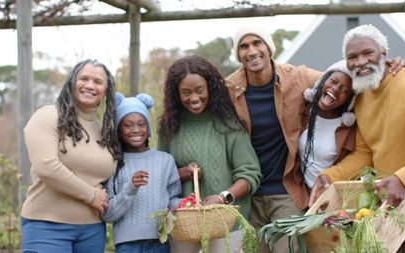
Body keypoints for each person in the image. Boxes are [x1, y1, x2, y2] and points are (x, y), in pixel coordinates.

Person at [225, 26, 405, 253]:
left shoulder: (296, 77)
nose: (252, 51)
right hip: (250, 193)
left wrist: (388, 65)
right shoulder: (230, 89)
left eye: (257, 43)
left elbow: (347, 78)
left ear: (268, 48)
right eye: (244, 46)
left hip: (287, 190)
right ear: (238, 53)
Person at [310, 24, 405, 253]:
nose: (361, 61)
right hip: (391, 204)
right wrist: (329, 176)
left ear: (384, 55)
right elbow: (365, 154)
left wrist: (403, 178)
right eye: (352, 57)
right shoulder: (362, 99)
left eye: (368, 53)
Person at [158, 54, 262, 253]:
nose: (194, 98)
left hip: (226, 221)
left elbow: (250, 174)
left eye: (199, 90)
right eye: (186, 92)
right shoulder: (169, 128)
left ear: (210, 88)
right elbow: (161, 174)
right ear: (176, 94)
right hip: (183, 222)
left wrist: (223, 197)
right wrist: (183, 173)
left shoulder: (228, 125)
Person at [20, 59, 122, 253]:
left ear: (106, 92)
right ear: (72, 83)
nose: (90, 85)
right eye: (84, 78)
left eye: (98, 82)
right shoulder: (48, 116)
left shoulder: (104, 131)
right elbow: (46, 166)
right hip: (46, 226)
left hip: (92, 230)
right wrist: (90, 195)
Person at [101, 92, 182, 253]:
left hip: (161, 242)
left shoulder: (165, 160)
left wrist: (187, 204)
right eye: (128, 125)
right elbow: (108, 215)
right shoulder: (113, 163)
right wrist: (131, 188)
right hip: (127, 245)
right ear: (119, 130)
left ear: (148, 127)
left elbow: (173, 200)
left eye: (141, 124)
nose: (136, 130)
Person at [298, 59, 356, 190]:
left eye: (344, 90)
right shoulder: (304, 111)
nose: (335, 89)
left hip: (330, 193)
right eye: (333, 81)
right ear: (322, 81)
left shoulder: (348, 128)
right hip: (300, 191)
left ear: (349, 100)